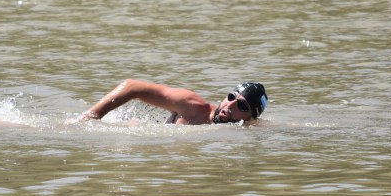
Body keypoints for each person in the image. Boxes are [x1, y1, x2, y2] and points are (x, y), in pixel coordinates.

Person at [69, 79, 268, 125]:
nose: (230, 105)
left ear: (251, 118)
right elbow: (131, 86)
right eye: (231, 97)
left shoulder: (248, 128)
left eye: (242, 106)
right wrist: (90, 117)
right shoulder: (192, 106)